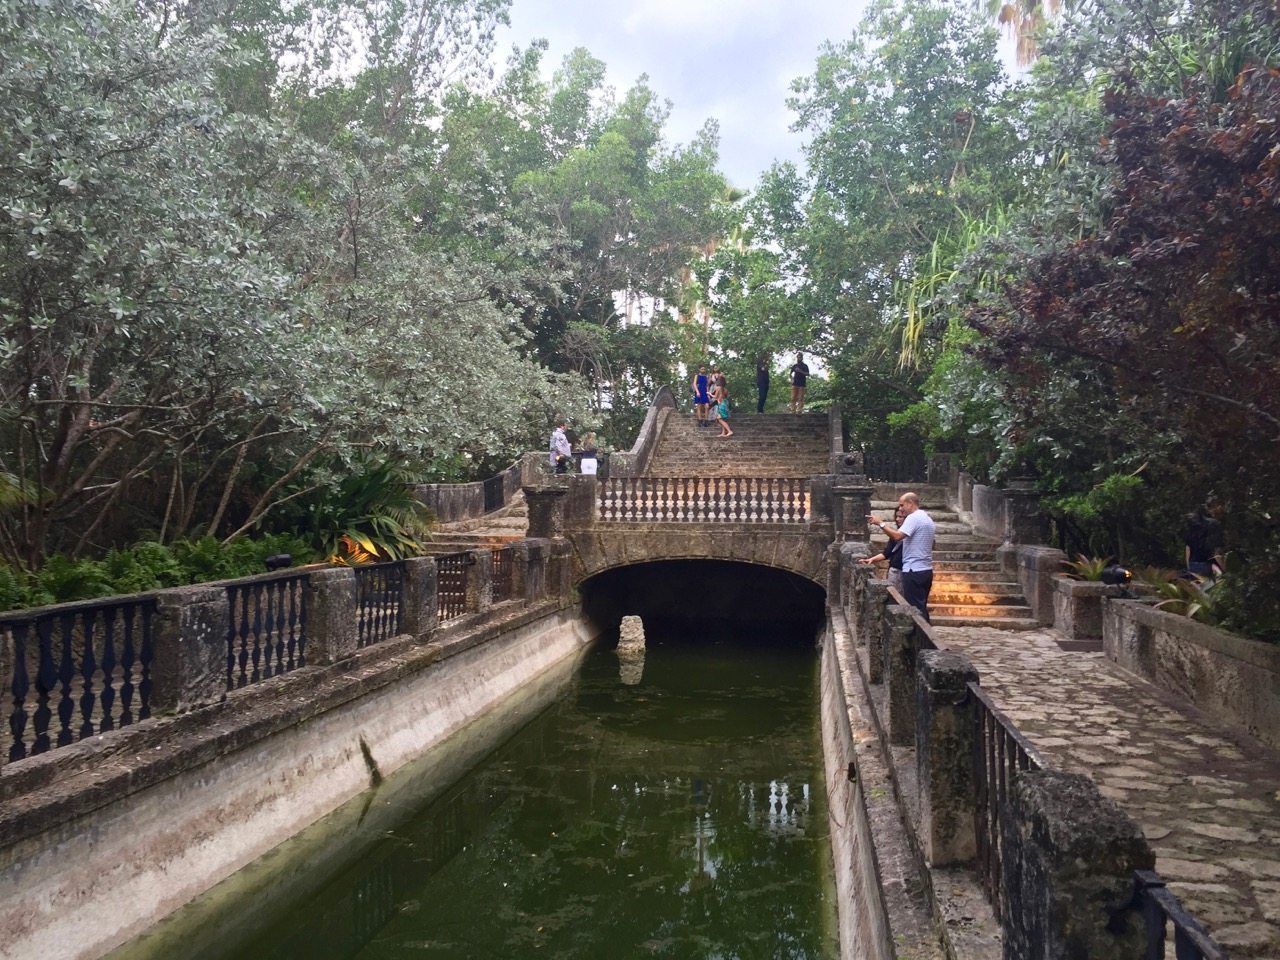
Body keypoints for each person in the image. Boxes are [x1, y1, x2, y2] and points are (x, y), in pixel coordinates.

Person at [868, 492, 935, 621]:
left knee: (914, 609)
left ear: (910, 503)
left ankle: (920, 638)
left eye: (902, 505)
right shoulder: (927, 518)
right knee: (921, 606)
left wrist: (881, 524)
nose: (900, 509)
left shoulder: (913, 518)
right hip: (926, 569)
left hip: (913, 570)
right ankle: (925, 636)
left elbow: (897, 536)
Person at [859, 505, 906, 590]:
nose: (897, 519)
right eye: (896, 516)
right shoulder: (895, 534)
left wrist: (880, 523)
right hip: (895, 570)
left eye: (901, 517)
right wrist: (871, 559)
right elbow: (887, 553)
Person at [1184, 503, 1223, 578]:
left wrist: (1189, 568)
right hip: (1210, 566)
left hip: (1194, 565)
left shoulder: (1190, 527)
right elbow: (1216, 552)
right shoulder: (1214, 525)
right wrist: (1225, 571)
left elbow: (1188, 548)